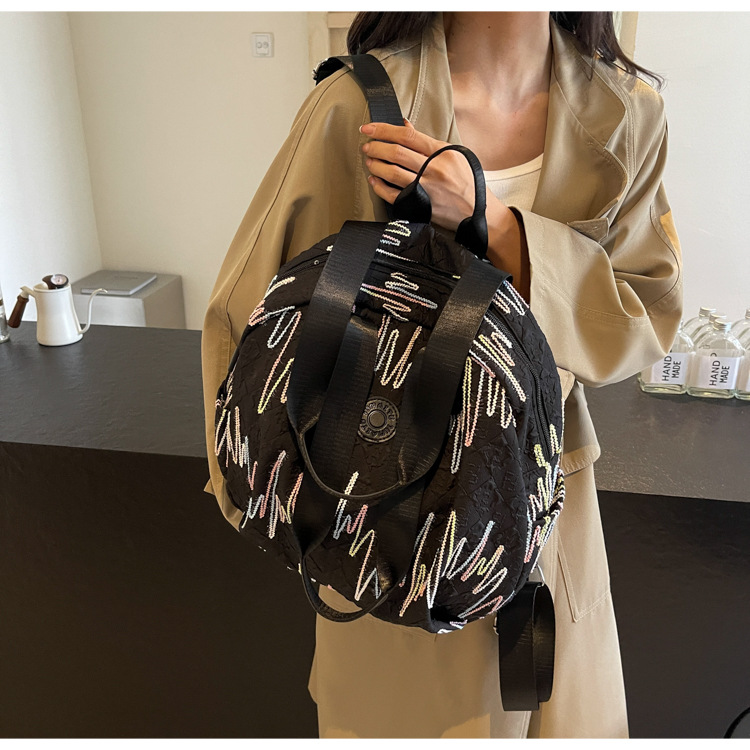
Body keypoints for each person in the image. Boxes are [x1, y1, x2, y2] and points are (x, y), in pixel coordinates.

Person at [201, 11, 682, 739]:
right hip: (389, 513)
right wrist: (268, 498)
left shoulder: (628, 113)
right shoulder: (358, 105)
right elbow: (252, 315)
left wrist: (498, 225)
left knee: (559, 715)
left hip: (552, 507)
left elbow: (645, 310)